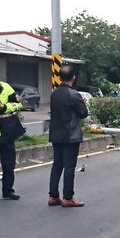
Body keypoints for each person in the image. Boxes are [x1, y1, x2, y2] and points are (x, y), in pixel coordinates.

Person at [48, 65, 89, 207]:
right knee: (69, 167)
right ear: (73, 77)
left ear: (59, 77)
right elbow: (83, 113)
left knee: (57, 165)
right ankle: (68, 197)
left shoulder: (54, 94)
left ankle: (53, 196)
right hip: (71, 135)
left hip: (56, 134)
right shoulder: (74, 94)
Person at [0, 63, 25, 201]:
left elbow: (18, 104)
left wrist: (1, 106)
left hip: (6, 130)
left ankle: (8, 190)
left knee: (8, 163)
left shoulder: (5, 87)